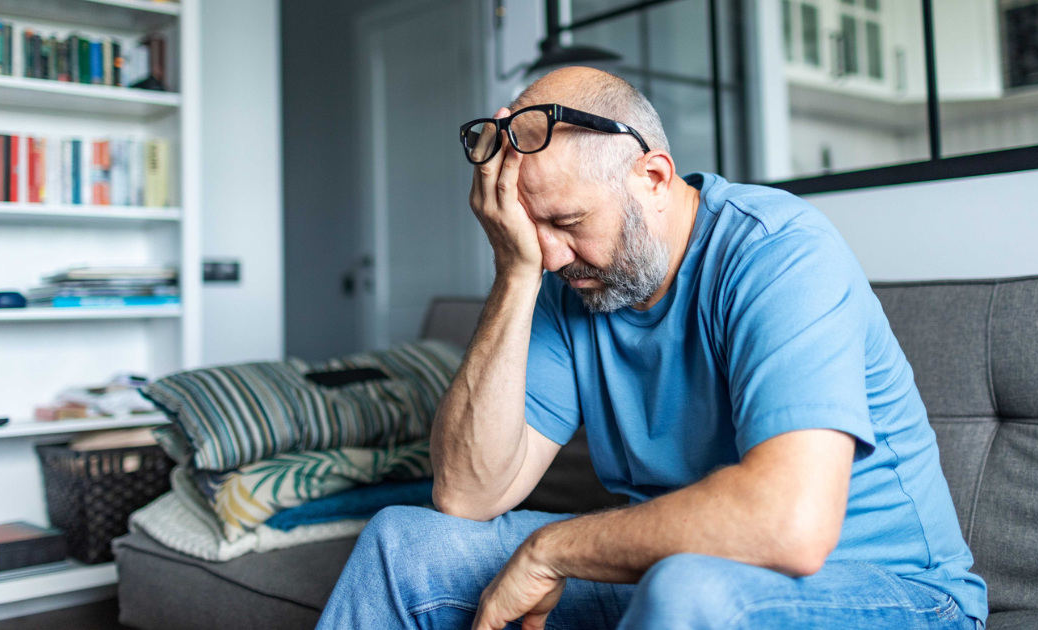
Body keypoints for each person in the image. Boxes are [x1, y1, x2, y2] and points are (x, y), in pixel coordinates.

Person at [318, 66, 987, 630]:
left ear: (655, 177)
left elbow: (790, 523)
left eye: (568, 222)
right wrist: (513, 272)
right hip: (673, 572)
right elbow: (467, 495)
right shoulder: (566, 281)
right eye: (527, 228)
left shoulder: (778, 253)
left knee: (687, 591)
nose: (551, 253)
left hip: (897, 594)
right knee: (403, 544)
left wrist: (553, 551)